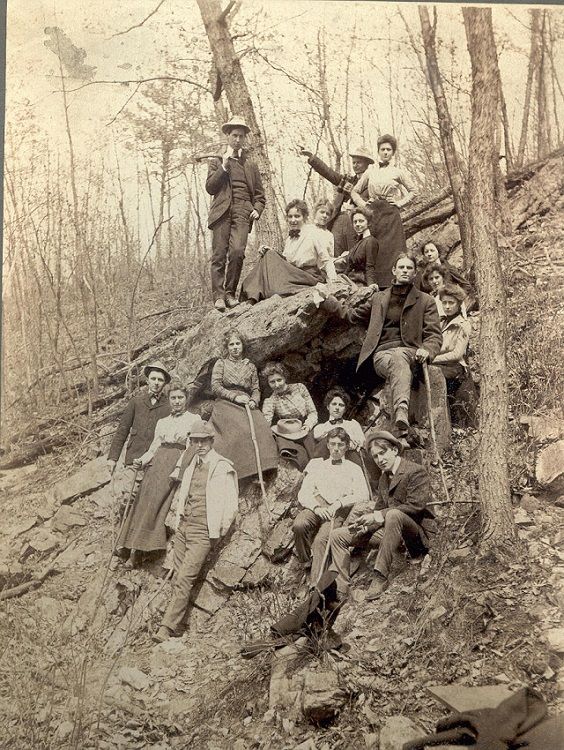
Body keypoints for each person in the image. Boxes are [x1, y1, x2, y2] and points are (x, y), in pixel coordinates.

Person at [154, 419, 238, 642]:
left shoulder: (222, 467)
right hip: (185, 528)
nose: (199, 445)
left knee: (184, 578)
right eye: (195, 441)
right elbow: (184, 494)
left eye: (203, 441)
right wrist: (180, 521)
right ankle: (178, 623)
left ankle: (167, 628)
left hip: (203, 530)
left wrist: (218, 531)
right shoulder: (191, 464)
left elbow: (231, 505)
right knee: (177, 577)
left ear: (211, 441)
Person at [329, 430, 436, 601]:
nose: (380, 460)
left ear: (394, 450)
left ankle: (379, 577)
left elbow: (415, 506)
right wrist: (366, 524)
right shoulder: (384, 478)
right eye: (376, 456)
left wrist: (378, 515)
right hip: (391, 533)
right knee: (337, 535)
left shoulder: (416, 471)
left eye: (383, 453)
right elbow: (378, 509)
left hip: (416, 536)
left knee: (394, 514)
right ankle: (341, 590)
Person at [346, 254, 442, 436]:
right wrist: (328, 303)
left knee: (399, 357)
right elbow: (351, 315)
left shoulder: (425, 301)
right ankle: (401, 413)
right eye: (401, 267)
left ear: (414, 273)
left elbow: (434, 335)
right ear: (394, 271)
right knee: (396, 358)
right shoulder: (378, 298)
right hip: (382, 354)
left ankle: (401, 413)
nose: (405, 271)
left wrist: (427, 350)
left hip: (410, 352)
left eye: (409, 268)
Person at [116, 381, 200, 569]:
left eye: (180, 398)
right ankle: (128, 546)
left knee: (154, 504)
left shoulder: (193, 419)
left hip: (175, 461)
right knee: (141, 501)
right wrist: (142, 460)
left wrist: (179, 468)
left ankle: (139, 552)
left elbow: (190, 447)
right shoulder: (163, 422)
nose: (177, 401)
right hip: (156, 463)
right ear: (169, 400)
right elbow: (155, 446)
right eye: (173, 398)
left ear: (186, 399)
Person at [293, 427, 369, 583]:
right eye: (333, 444)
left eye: (340, 445)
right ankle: (306, 561)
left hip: (338, 511)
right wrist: (316, 508)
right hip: (317, 507)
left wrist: (340, 503)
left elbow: (363, 494)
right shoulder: (317, 466)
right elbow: (304, 493)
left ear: (347, 447)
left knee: (321, 540)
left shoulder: (354, 469)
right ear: (327, 445)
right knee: (299, 524)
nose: (336, 449)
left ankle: (315, 585)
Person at [205, 116, 266, 312]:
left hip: (243, 212)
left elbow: (259, 195)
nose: (237, 139)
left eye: (241, 136)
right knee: (219, 255)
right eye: (234, 135)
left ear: (245, 138)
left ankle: (230, 294)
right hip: (222, 213)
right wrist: (223, 166)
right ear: (227, 136)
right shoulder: (216, 161)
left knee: (238, 252)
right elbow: (210, 188)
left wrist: (257, 209)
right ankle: (219, 296)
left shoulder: (251, 165)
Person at [209, 329, 278, 481]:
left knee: (262, 427)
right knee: (240, 430)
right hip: (225, 403)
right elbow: (215, 386)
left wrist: (254, 400)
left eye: (237, 343)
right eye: (231, 344)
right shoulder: (221, 364)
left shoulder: (250, 366)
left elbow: (255, 389)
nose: (235, 347)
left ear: (242, 346)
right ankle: (245, 472)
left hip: (247, 402)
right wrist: (234, 397)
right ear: (227, 348)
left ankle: (264, 468)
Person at [240, 199, 338, 305]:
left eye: (297, 216)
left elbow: (326, 260)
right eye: (290, 217)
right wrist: (270, 251)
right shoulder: (289, 239)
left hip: (308, 276)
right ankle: (253, 296)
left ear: (305, 217)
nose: (293, 220)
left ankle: (255, 295)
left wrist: (333, 281)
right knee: (267, 255)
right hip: (294, 274)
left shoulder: (314, 233)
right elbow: (286, 261)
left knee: (271, 259)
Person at [350, 135, 417, 287]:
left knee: (393, 252)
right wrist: (364, 206)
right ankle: (376, 288)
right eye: (383, 149)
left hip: (391, 217)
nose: (385, 152)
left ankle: (397, 285)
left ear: (393, 153)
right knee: (375, 252)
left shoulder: (398, 172)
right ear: (378, 151)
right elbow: (355, 191)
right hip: (374, 216)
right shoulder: (370, 171)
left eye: (389, 150)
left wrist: (400, 203)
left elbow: (414, 191)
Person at [299, 146, 374, 255]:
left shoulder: (372, 183)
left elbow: (372, 205)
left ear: (367, 164)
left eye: (359, 162)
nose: (355, 165)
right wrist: (312, 157)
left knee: (355, 254)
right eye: (353, 162)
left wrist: (355, 201)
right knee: (335, 252)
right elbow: (329, 173)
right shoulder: (347, 180)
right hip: (339, 220)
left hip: (356, 223)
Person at [107, 360, 172, 475]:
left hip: (155, 461)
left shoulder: (169, 406)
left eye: (160, 380)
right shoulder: (136, 402)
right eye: (153, 379)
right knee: (128, 491)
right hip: (134, 457)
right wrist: (113, 458)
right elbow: (122, 430)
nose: (156, 383)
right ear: (147, 381)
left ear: (164, 383)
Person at [432, 284, 477, 427]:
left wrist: (432, 359)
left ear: (459, 304)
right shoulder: (441, 322)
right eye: (444, 302)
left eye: (451, 303)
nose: (447, 306)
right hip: (440, 364)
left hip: (455, 367)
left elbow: (457, 354)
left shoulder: (463, 324)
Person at [261, 361, 318, 471]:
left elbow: (313, 412)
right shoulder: (270, 400)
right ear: (268, 383)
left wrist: (308, 426)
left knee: (314, 452)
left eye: (279, 380)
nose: (277, 385)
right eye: (272, 382)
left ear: (285, 377)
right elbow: (266, 420)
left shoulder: (300, 388)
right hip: (287, 433)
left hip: (306, 428)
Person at [334, 208, 379, 287]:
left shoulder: (370, 241)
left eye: (361, 221)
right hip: (350, 280)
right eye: (355, 222)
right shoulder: (359, 242)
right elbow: (350, 266)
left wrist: (371, 285)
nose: (357, 224)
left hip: (360, 282)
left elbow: (370, 266)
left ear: (368, 223)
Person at [313, 387, 365, 455]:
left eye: (341, 405)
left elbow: (361, 443)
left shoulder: (353, 424)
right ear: (328, 406)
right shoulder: (321, 427)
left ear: (345, 409)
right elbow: (317, 436)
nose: (337, 407)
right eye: (334, 404)